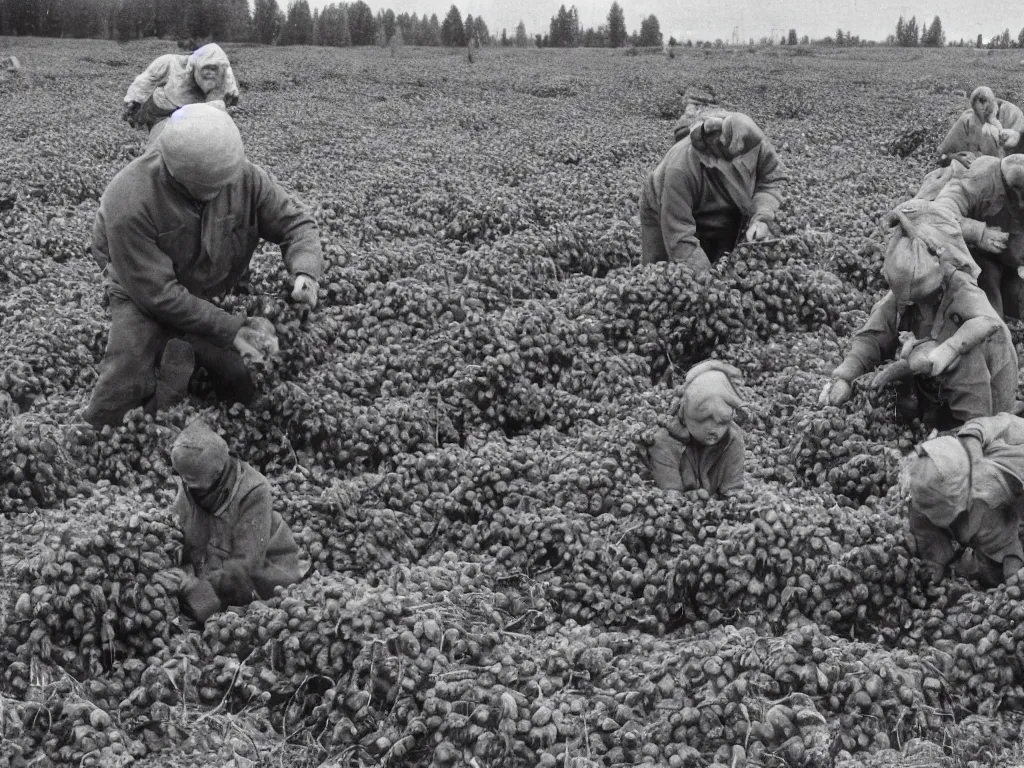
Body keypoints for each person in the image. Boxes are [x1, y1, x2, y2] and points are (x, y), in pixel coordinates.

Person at [82, 103, 322, 428]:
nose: (227, 191)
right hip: (141, 287)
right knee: (128, 373)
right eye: (214, 188)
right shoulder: (129, 200)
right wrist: (230, 328)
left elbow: (296, 225)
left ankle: (192, 374)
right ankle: (99, 434)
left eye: (229, 181)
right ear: (176, 173)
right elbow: (159, 296)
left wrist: (305, 272)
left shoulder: (244, 176)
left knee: (238, 375)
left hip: (213, 282)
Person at [820, 202, 1017, 427]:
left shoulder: (961, 291)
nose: (913, 304)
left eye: (922, 297)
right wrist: (845, 376)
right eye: (909, 299)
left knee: (964, 359)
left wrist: (948, 349)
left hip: (985, 393)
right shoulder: (903, 296)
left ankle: (962, 436)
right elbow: (873, 337)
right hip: (935, 389)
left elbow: (988, 322)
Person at [169, 420, 306, 623]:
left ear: (216, 475)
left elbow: (246, 565)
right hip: (215, 560)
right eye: (184, 480)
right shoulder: (193, 484)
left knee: (232, 613)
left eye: (192, 483)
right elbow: (179, 531)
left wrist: (197, 589)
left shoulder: (254, 490)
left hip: (263, 570)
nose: (187, 487)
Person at [639, 111, 787, 273]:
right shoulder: (680, 169)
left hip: (721, 205)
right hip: (661, 207)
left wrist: (762, 217)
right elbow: (679, 236)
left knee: (724, 260)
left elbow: (772, 180)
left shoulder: (751, 139)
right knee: (660, 271)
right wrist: (710, 286)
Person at [901, 414, 1024, 587]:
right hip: (961, 468)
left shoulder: (989, 500)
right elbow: (980, 427)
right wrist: (934, 560)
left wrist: (1011, 565)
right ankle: (938, 554)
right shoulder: (937, 472)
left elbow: (1001, 539)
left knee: (993, 564)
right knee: (925, 508)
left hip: (992, 485)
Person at [933, 154, 1024, 319]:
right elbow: (940, 214)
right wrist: (979, 233)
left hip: (1011, 264)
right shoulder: (981, 180)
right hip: (971, 254)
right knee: (989, 307)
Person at [648, 360, 746, 498]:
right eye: (704, 420)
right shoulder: (664, 443)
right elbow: (671, 499)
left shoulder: (732, 440)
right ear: (686, 415)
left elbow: (734, 491)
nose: (714, 429)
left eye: (721, 423)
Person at [123, 44, 240, 135]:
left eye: (214, 69)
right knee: (157, 139)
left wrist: (232, 91)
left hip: (189, 114)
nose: (211, 73)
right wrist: (133, 100)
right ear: (195, 65)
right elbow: (146, 79)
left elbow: (229, 83)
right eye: (207, 68)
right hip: (160, 108)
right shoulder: (170, 62)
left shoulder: (223, 70)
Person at [937, 86, 1024, 167]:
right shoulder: (967, 119)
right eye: (979, 109)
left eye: (988, 109)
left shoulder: (1011, 113)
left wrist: (1018, 138)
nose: (984, 112)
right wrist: (957, 158)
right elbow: (943, 156)